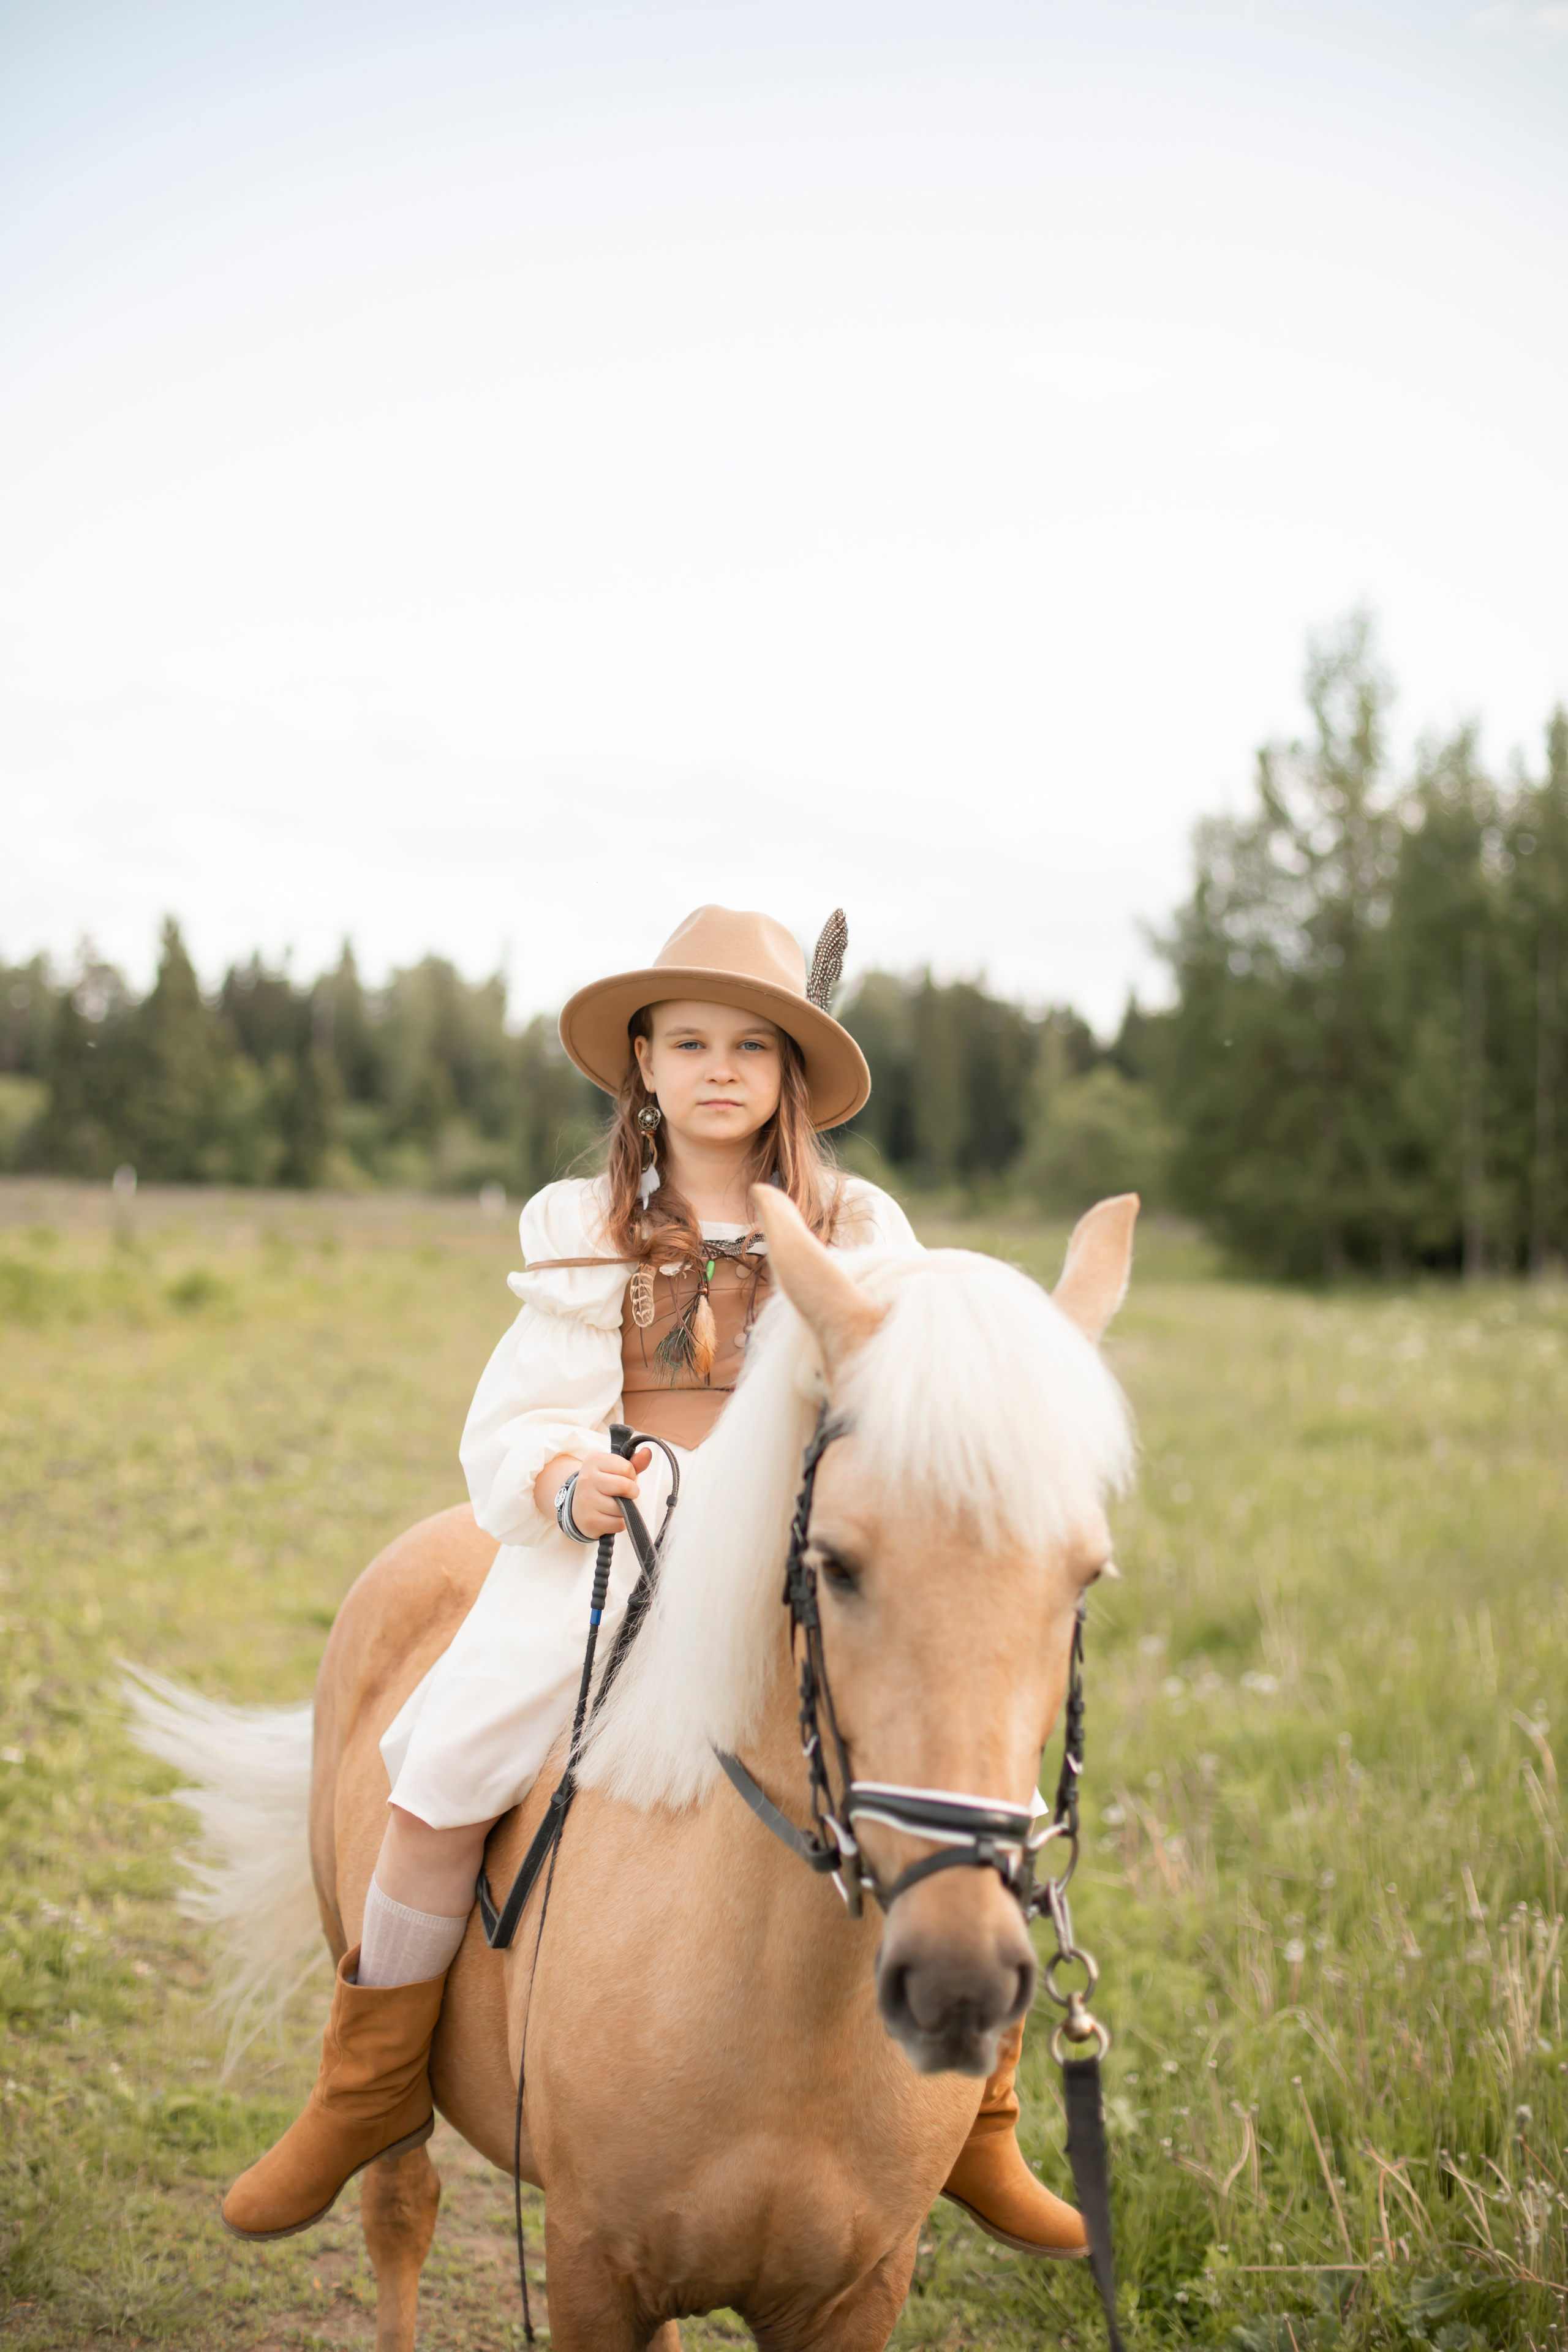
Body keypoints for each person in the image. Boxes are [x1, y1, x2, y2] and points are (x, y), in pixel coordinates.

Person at [221, 904, 1087, 2261]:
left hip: (786, 1555)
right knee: (447, 1754)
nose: (720, 1068)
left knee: (981, 1781)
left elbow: (916, 1385)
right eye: (688, 1042)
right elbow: (511, 1418)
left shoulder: (858, 1224)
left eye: (752, 1043)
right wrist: (565, 1478)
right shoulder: (586, 1225)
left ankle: (981, 2114)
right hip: (619, 1541)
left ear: (790, 1073)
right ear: (642, 1063)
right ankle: (366, 2084)